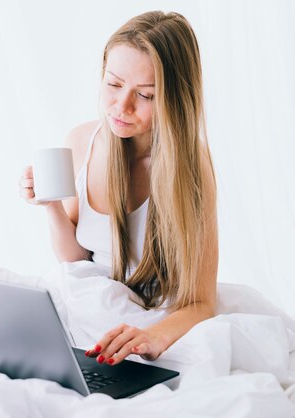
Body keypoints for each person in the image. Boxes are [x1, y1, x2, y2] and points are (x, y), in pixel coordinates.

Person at [19, 11, 218, 366]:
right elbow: (75, 260)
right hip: (91, 308)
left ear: (175, 97)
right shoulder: (82, 141)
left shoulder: (192, 169)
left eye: (145, 94)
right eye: (113, 85)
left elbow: (201, 302)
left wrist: (153, 337)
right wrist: (50, 206)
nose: (122, 106)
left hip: (152, 319)